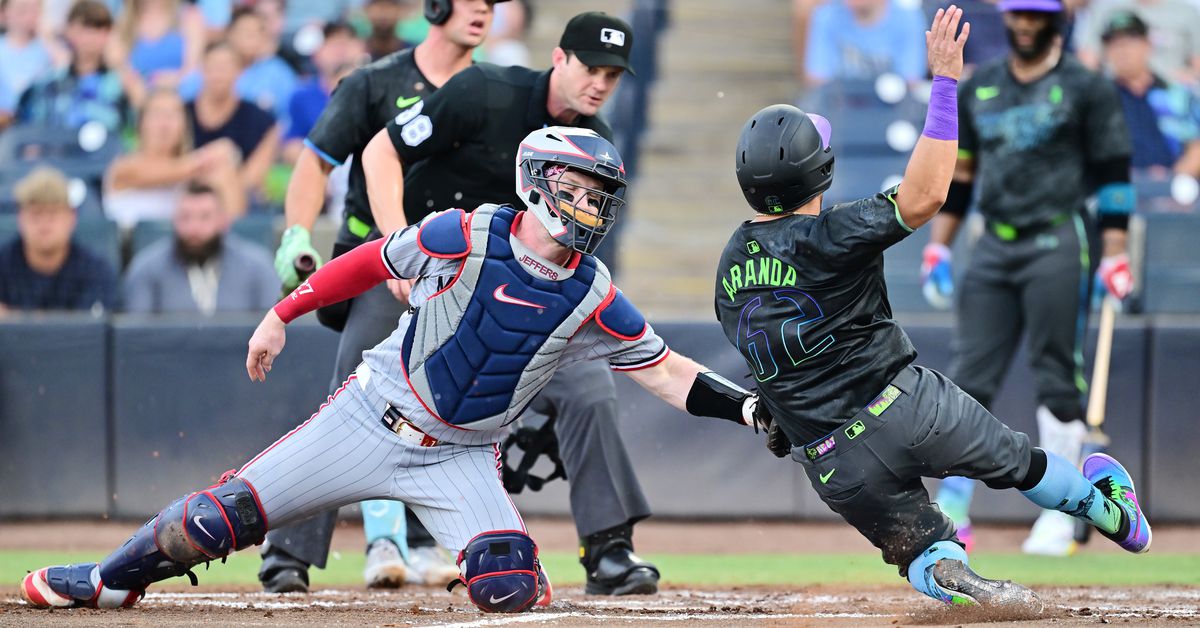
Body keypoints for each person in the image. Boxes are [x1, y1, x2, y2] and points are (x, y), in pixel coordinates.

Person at [19, 126, 769, 616]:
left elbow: (666, 371)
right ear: (536, 181)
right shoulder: (464, 233)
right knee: (214, 521)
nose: (589, 206)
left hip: (463, 454)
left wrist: (749, 409)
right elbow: (369, 262)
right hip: (371, 414)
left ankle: (510, 561)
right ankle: (108, 579)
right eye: (575, 189)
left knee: (507, 584)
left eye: (598, 196)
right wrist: (282, 313)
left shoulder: (592, 290)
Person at [716, 6, 1150, 610]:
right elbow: (926, 195)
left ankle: (950, 574)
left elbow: (771, 369)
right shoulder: (833, 232)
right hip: (907, 408)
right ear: (819, 170)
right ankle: (1108, 511)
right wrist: (945, 82)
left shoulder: (729, 266)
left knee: (920, 544)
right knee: (1022, 463)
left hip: (831, 459)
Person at [279, 7, 662, 598]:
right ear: (559, 59)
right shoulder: (485, 90)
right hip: (421, 259)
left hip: (509, 287)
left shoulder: (597, 144)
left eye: (612, 75)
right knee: (351, 388)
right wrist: (397, 242)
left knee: (589, 388)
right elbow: (381, 151)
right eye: (591, 68)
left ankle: (609, 549)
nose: (600, 84)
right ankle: (288, 554)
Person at [262, 0, 506, 594]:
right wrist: (297, 233)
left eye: (491, 2)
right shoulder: (373, 83)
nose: (482, 8)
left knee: (461, 399)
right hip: (380, 258)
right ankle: (287, 552)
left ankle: (429, 539)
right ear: (436, 6)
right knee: (352, 392)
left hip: (463, 269)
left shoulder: (496, 90)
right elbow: (314, 163)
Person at [920, 0, 1136, 557]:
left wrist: (1115, 253)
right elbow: (961, 176)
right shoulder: (980, 87)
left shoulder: (1087, 88)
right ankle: (954, 508)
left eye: (1036, 15)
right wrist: (938, 248)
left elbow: (1114, 175)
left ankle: (1063, 512)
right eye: (1018, 14)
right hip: (993, 243)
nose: (1024, 24)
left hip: (1058, 238)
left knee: (1057, 379)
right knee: (967, 379)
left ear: (1057, 21)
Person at [122, 180, 278, 314]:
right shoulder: (147, 269)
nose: (193, 228)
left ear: (223, 221)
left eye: (205, 217)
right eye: (185, 217)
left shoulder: (257, 267)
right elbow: (137, 334)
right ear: (173, 220)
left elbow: (274, 327)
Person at [104, 88, 245, 228]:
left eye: (173, 115)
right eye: (157, 114)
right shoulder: (123, 168)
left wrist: (223, 166)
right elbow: (166, 172)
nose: (164, 124)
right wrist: (210, 155)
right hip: (130, 242)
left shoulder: (195, 173)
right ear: (141, 123)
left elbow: (236, 219)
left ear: (185, 125)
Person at [0, 167, 118, 315]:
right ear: (20, 218)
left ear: (72, 217)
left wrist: (13, 317)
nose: (44, 224)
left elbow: (91, 324)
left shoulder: (95, 270)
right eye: (36, 214)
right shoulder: (3, 263)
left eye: (53, 214)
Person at [1101, 10, 1200, 179]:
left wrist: (1170, 181)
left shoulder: (1176, 94)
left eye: (1130, 42)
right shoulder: (1099, 99)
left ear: (1148, 45)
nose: (1123, 51)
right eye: (1115, 44)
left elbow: (1196, 147)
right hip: (1117, 187)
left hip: (1172, 187)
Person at [186, 41, 280, 207]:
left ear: (240, 71)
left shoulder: (261, 119)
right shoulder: (182, 113)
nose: (218, 75)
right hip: (185, 190)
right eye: (212, 67)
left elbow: (252, 177)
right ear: (202, 69)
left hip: (240, 198)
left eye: (224, 67)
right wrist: (212, 157)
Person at [15, 0, 130, 134]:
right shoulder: (50, 82)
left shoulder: (119, 83)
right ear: (68, 30)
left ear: (108, 34)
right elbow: (29, 123)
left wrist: (121, 65)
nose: (89, 37)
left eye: (97, 29)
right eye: (83, 28)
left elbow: (139, 114)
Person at [803, 0, 928, 87]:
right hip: (840, 107)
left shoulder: (908, 18)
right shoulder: (827, 15)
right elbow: (817, 79)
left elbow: (911, 81)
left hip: (891, 107)